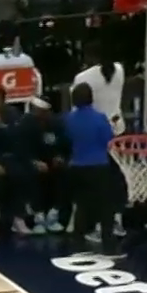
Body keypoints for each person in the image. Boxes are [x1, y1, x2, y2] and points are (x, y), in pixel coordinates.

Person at [63, 81, 116, 248]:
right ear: (91, 98)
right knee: (105, 205)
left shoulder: (68, 119)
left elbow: (67, 140)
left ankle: (78, 239)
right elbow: (109, 141)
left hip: (76, 166)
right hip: (98, 166)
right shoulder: (100, 118)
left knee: (82, 204)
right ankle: (108, 240)